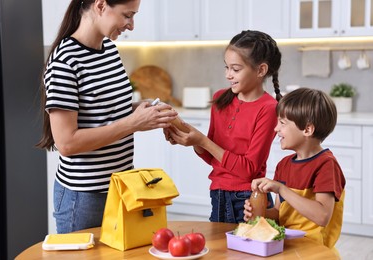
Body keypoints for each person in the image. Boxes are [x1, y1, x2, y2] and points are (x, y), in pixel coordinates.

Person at [36, 0, 177, 234]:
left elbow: (103, 110)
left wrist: (139, 110)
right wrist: (132, 124)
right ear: (101, 5)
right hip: (83, 198)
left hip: (119, 186)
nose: (131, 25)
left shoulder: (109, 50)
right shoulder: (65, 61)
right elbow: (67, 143)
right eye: (127, 15)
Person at [164, 30, 283, 223]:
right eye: (226, 67)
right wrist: (192, 141)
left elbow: (249, 170)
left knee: (246, 253)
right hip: (218, 194)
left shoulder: (268, 109)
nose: (228, 75)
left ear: (261, 70)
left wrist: (202, 140)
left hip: (248, 199)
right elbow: (212, 158)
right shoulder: (221, 98)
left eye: (235, 69)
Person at [243, 88, 346, 253]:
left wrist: (281, 188)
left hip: (315, 251)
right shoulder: (284, 165)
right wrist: (259, 213)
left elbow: (322, 216)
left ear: (307, 130)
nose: (276, 128)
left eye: (282, 123)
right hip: (287, 248)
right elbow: (278, 213)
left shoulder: (326, 165)